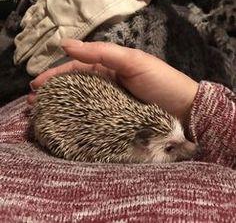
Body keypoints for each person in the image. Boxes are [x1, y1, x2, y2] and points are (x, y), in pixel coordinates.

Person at [28, 39, 235, 168]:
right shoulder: (117, 152)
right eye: (170, 148)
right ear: (142, 143)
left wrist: (191, 104)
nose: (192, 148)